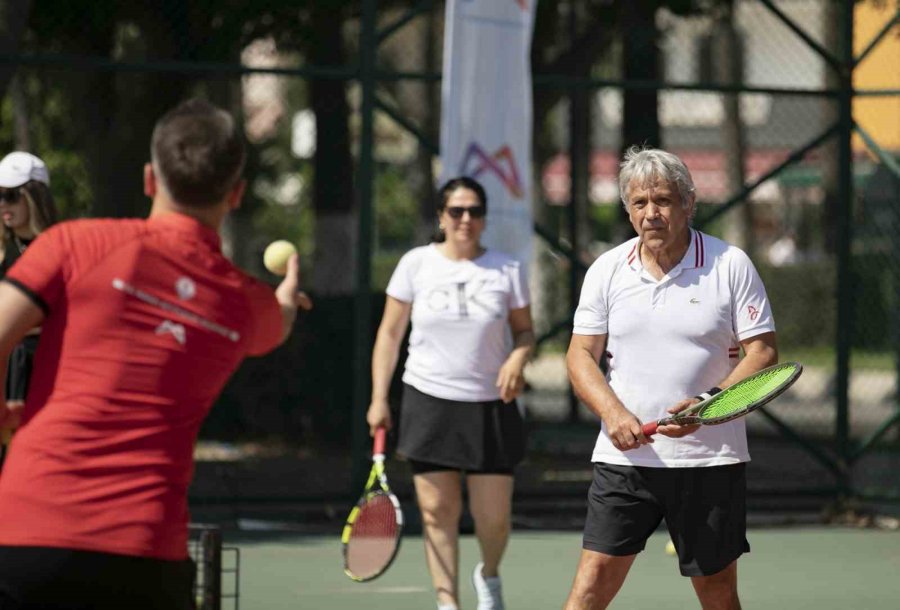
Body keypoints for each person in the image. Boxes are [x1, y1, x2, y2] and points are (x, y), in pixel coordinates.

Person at [0, 98, 312, 609]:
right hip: (145, 557)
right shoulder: (244, 302)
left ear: (149, 179)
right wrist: (285, 293)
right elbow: (278, 322)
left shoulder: (71, 244)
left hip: (27, 537)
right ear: (234, 195)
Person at [563, 146, 777, 610]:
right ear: (627, 209)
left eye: (662, 200)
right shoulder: (606, 270)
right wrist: (613, 413)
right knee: (590, 587)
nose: (652, 213)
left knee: (718, 593)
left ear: (688, 203)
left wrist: (707, 404)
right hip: (625, 462)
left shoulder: (730, 264)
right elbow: (580, 354)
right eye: (639, 203)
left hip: (710, 462)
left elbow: (762, 352)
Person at [366, 176, 535, 610]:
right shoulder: (415, 264)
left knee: (493, 518)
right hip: (429, 400)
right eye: (456, 211)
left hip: (491, 405)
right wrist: (379, 398)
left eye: (474, 211)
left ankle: (489, 576)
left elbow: (525, 332)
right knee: (437, 513)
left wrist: (518, 358)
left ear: (483, 218)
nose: (465, 219)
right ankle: (448, 602)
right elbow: (388, 334)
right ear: (441, 217)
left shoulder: (507, 268)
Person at [0, 152, 58, 462]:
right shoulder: (2, 252)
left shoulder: (60, 249)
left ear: (33, 196)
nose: (2, 205)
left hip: (41, 374)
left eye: (10, 195)